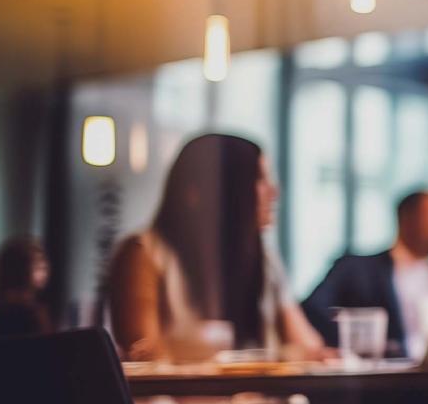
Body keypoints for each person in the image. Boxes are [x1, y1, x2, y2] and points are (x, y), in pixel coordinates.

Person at [107, 134, 328, 362]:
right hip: (183, 397)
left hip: (258, 396)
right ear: (204, 191)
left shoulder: (263, 258)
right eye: (259, 180)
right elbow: (144, 353)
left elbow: (308, 347)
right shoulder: (144, 254)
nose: (273, 192)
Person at [301, 191, 428, 359]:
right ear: (408, 218)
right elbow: (312, 309)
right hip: (383, 376)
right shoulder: (357, 269)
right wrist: (353, 340)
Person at [0, 236, 51, 338]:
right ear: (19, 269)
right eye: (37, 264)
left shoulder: (1, 308)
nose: (45, 267)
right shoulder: (23, 312)